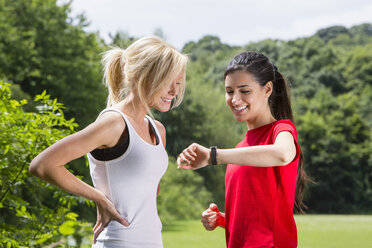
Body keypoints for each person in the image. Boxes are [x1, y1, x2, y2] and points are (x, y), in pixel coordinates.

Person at [29, 36, 188, 247]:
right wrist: (99, 198)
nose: (174, 91)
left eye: (178, 83)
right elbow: (42, 165)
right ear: (142, 76)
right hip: (117, 241)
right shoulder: (113, 123)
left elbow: (145, 191)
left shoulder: (158, 130)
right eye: (168, 82)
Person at [177, 51, 309, 248]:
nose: (235, 99)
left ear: (268, 89)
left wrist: (214, 156)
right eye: (229, 91)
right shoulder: (241, 148)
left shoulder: (281, 131)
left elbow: (282, 154)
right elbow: (254, 213)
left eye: (244, 91)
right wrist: (221, 219)